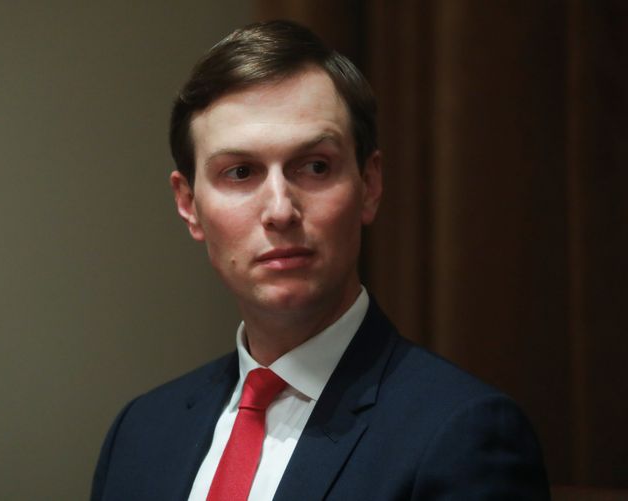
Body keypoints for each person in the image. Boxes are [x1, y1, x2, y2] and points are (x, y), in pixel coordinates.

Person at [91, 20, 550, 500]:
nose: (280, 211)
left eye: (315, 166)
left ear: (369, 185)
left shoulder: (464, 434)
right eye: (240, 172)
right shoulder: (139, 432)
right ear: (189, 205)